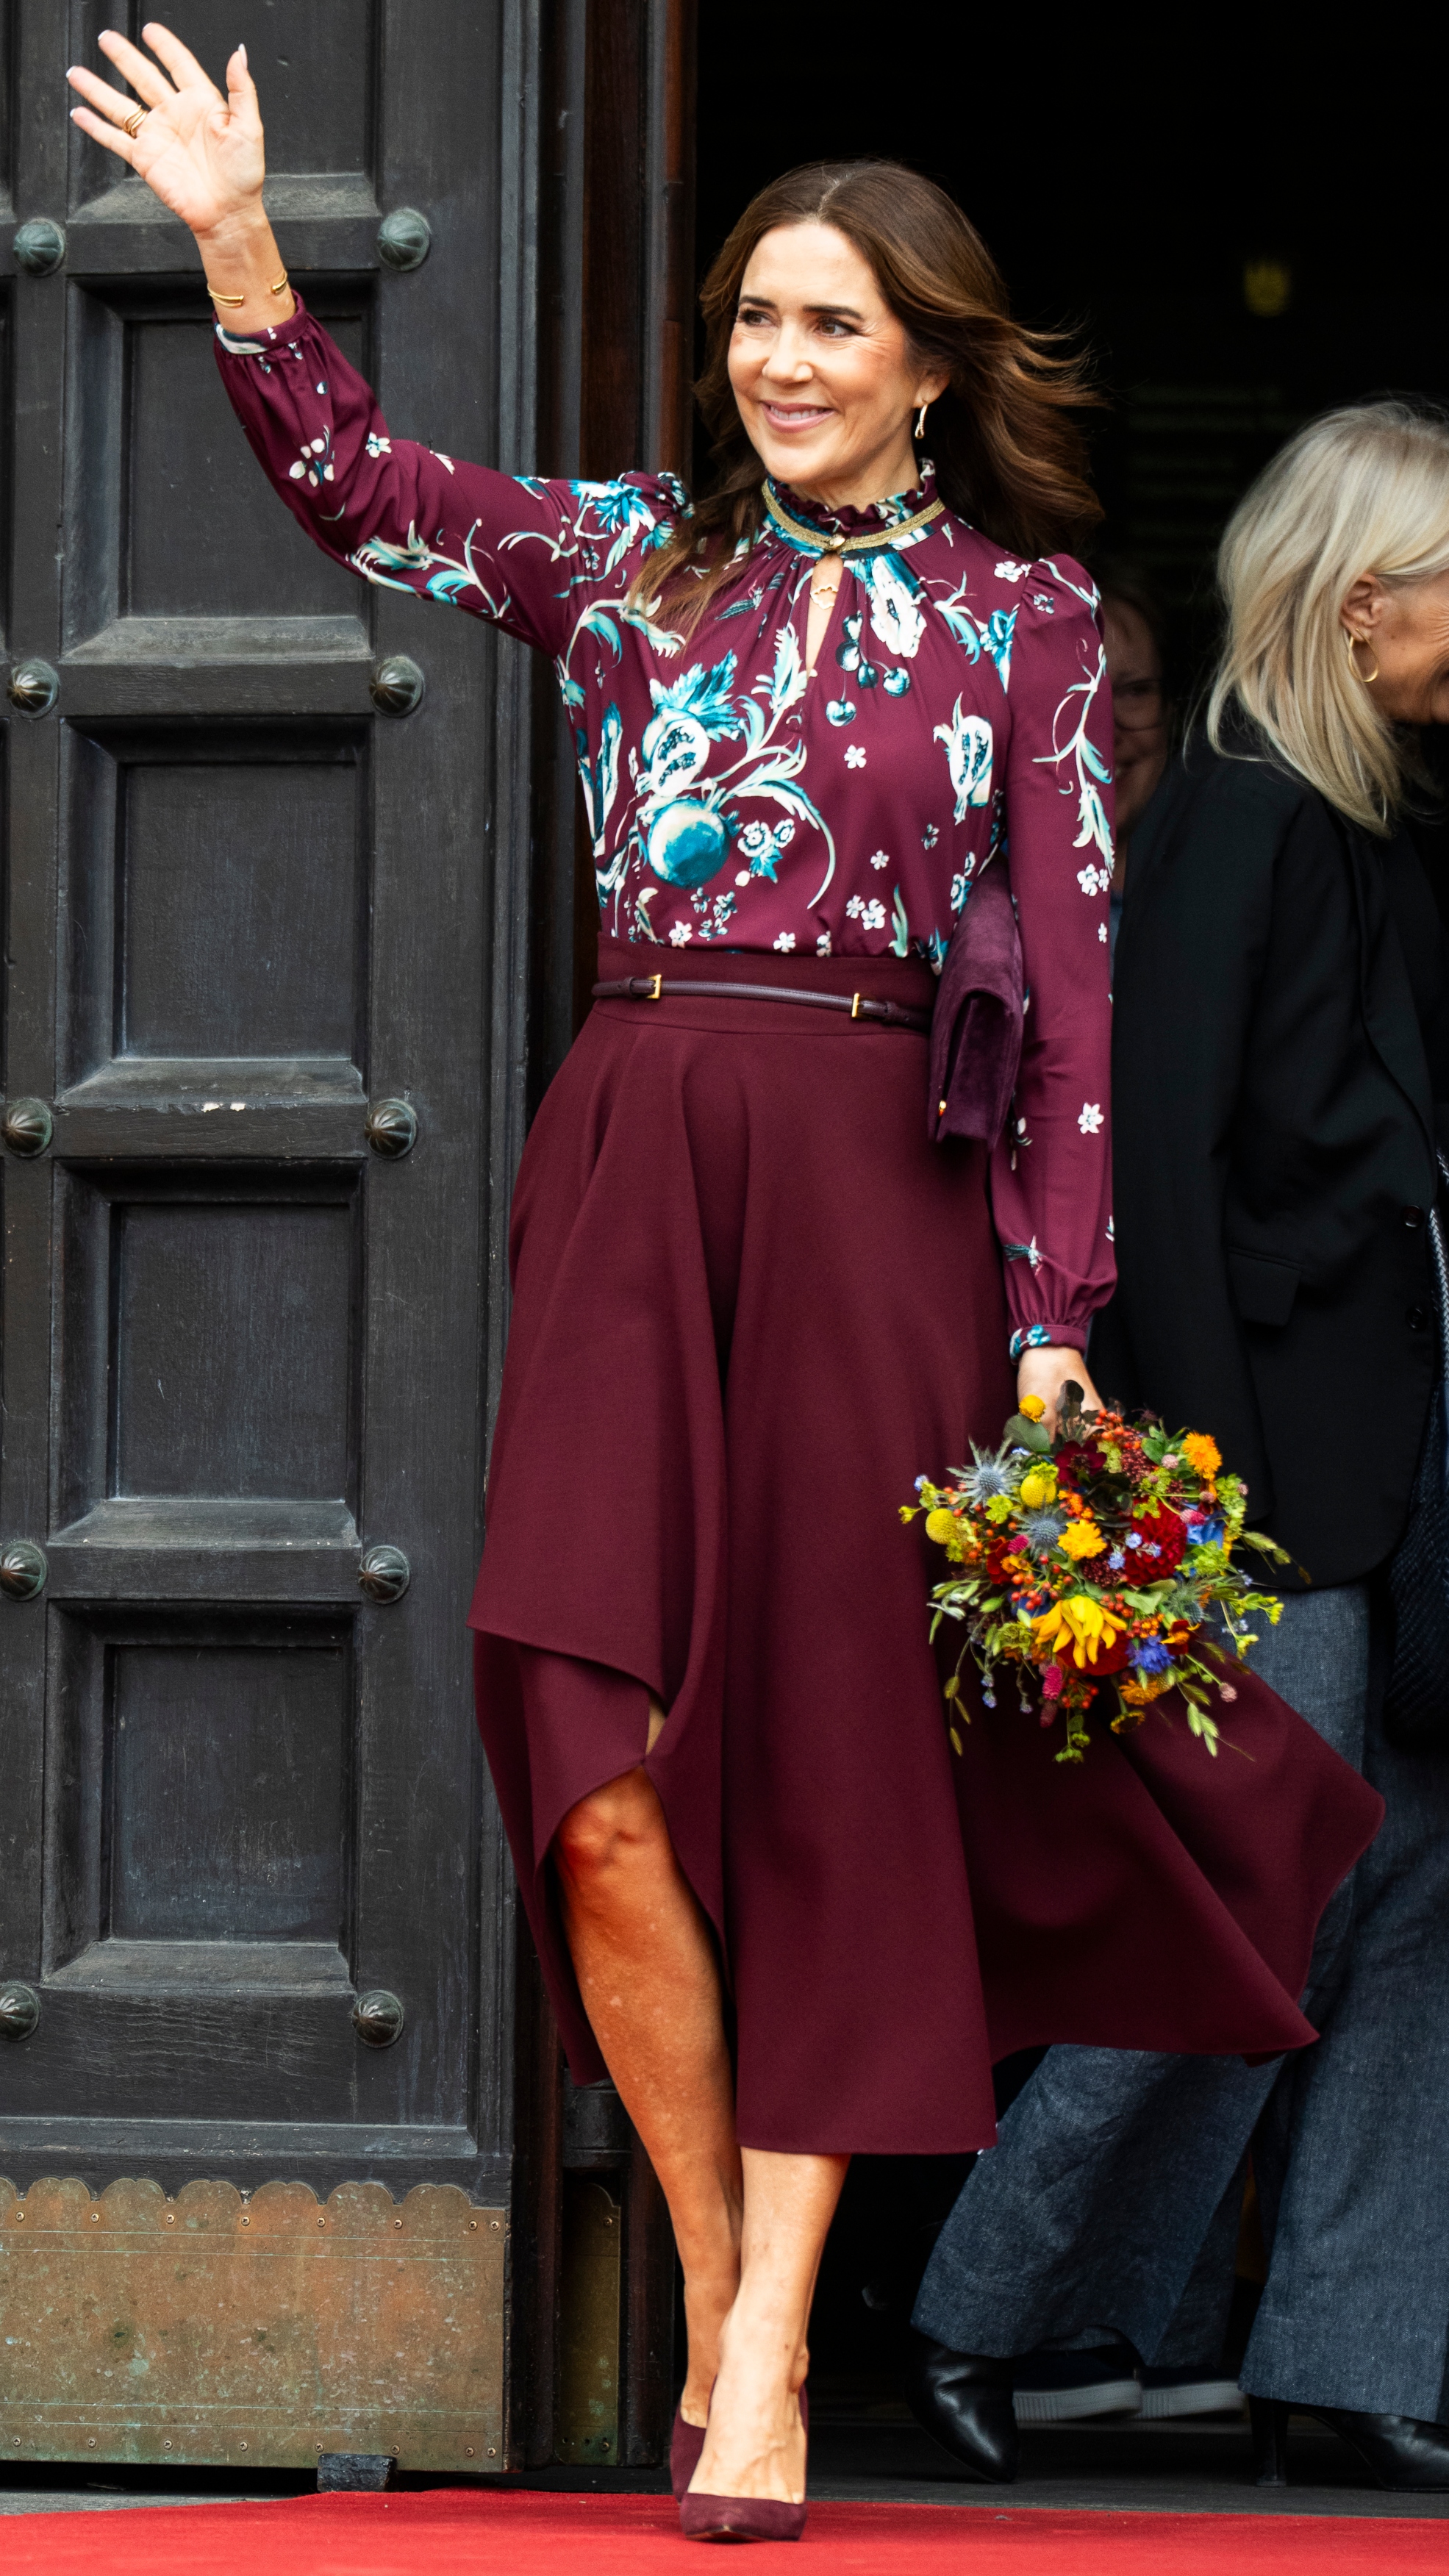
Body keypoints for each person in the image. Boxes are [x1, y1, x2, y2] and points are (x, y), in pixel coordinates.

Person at [68, 29, 1381, 2539]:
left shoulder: (1015, 625)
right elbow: (358, 489)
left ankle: (766, 2344)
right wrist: (239, 241)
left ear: (930, 364)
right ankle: (712, 2274)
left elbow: (1080, 1011)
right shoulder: (626, 563)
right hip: (639, 1156)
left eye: (833, 323)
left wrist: (1052, 1320)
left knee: (845, 1784)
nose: (781, 360)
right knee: (600, 1779)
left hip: (884, 1193)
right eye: (754, 318)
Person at [910, 402, 1449, 2494]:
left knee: (1411, 1909)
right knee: (1241, 1897)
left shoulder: (1384, 817)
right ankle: (988, 2308)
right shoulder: (1233, 817)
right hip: (1275, 1479)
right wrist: (1200, 1500)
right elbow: (1159, 1184)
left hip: (1404, 1459)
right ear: (1363, 591)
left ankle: (1349, 2347)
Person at [1095, 566, 1173, 952]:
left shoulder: (1225, 897)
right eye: (1074, 697)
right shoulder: (979, 913)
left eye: (1134, 692)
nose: (1104, 732)